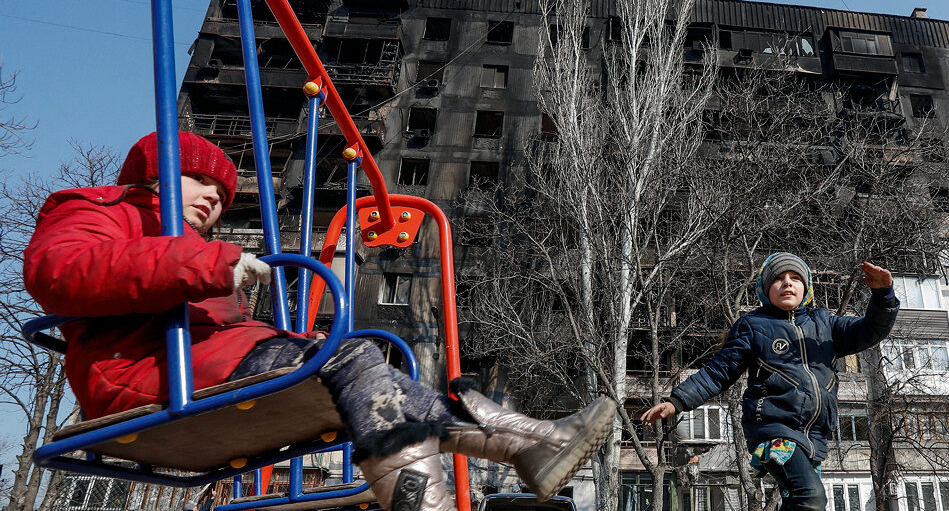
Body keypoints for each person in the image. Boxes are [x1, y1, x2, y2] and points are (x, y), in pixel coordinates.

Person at [24, 132, 614, 511]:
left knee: (379, 382)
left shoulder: (197, 250)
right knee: (350, 358)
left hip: (205, 366)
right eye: (198, 180)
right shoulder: (100, 210)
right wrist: (205, 262)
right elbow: (61, 270)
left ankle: (530, 446)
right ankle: (469, 479)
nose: (211, 198)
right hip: (145, 374)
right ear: (153, 175)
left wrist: (210, 264)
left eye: (221, 194)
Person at [641, 252, 898, 511]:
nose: (787, 283)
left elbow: (869, 331)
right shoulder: (754, 326)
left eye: (795, 278)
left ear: (806, 288)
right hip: (773, 430)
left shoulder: (826, 324)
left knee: (805, 501)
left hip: (814, 437)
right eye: (778, 279)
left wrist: (883, 295)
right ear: (765, 290)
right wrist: (677, 401)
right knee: (810, 496)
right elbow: (718, 371)